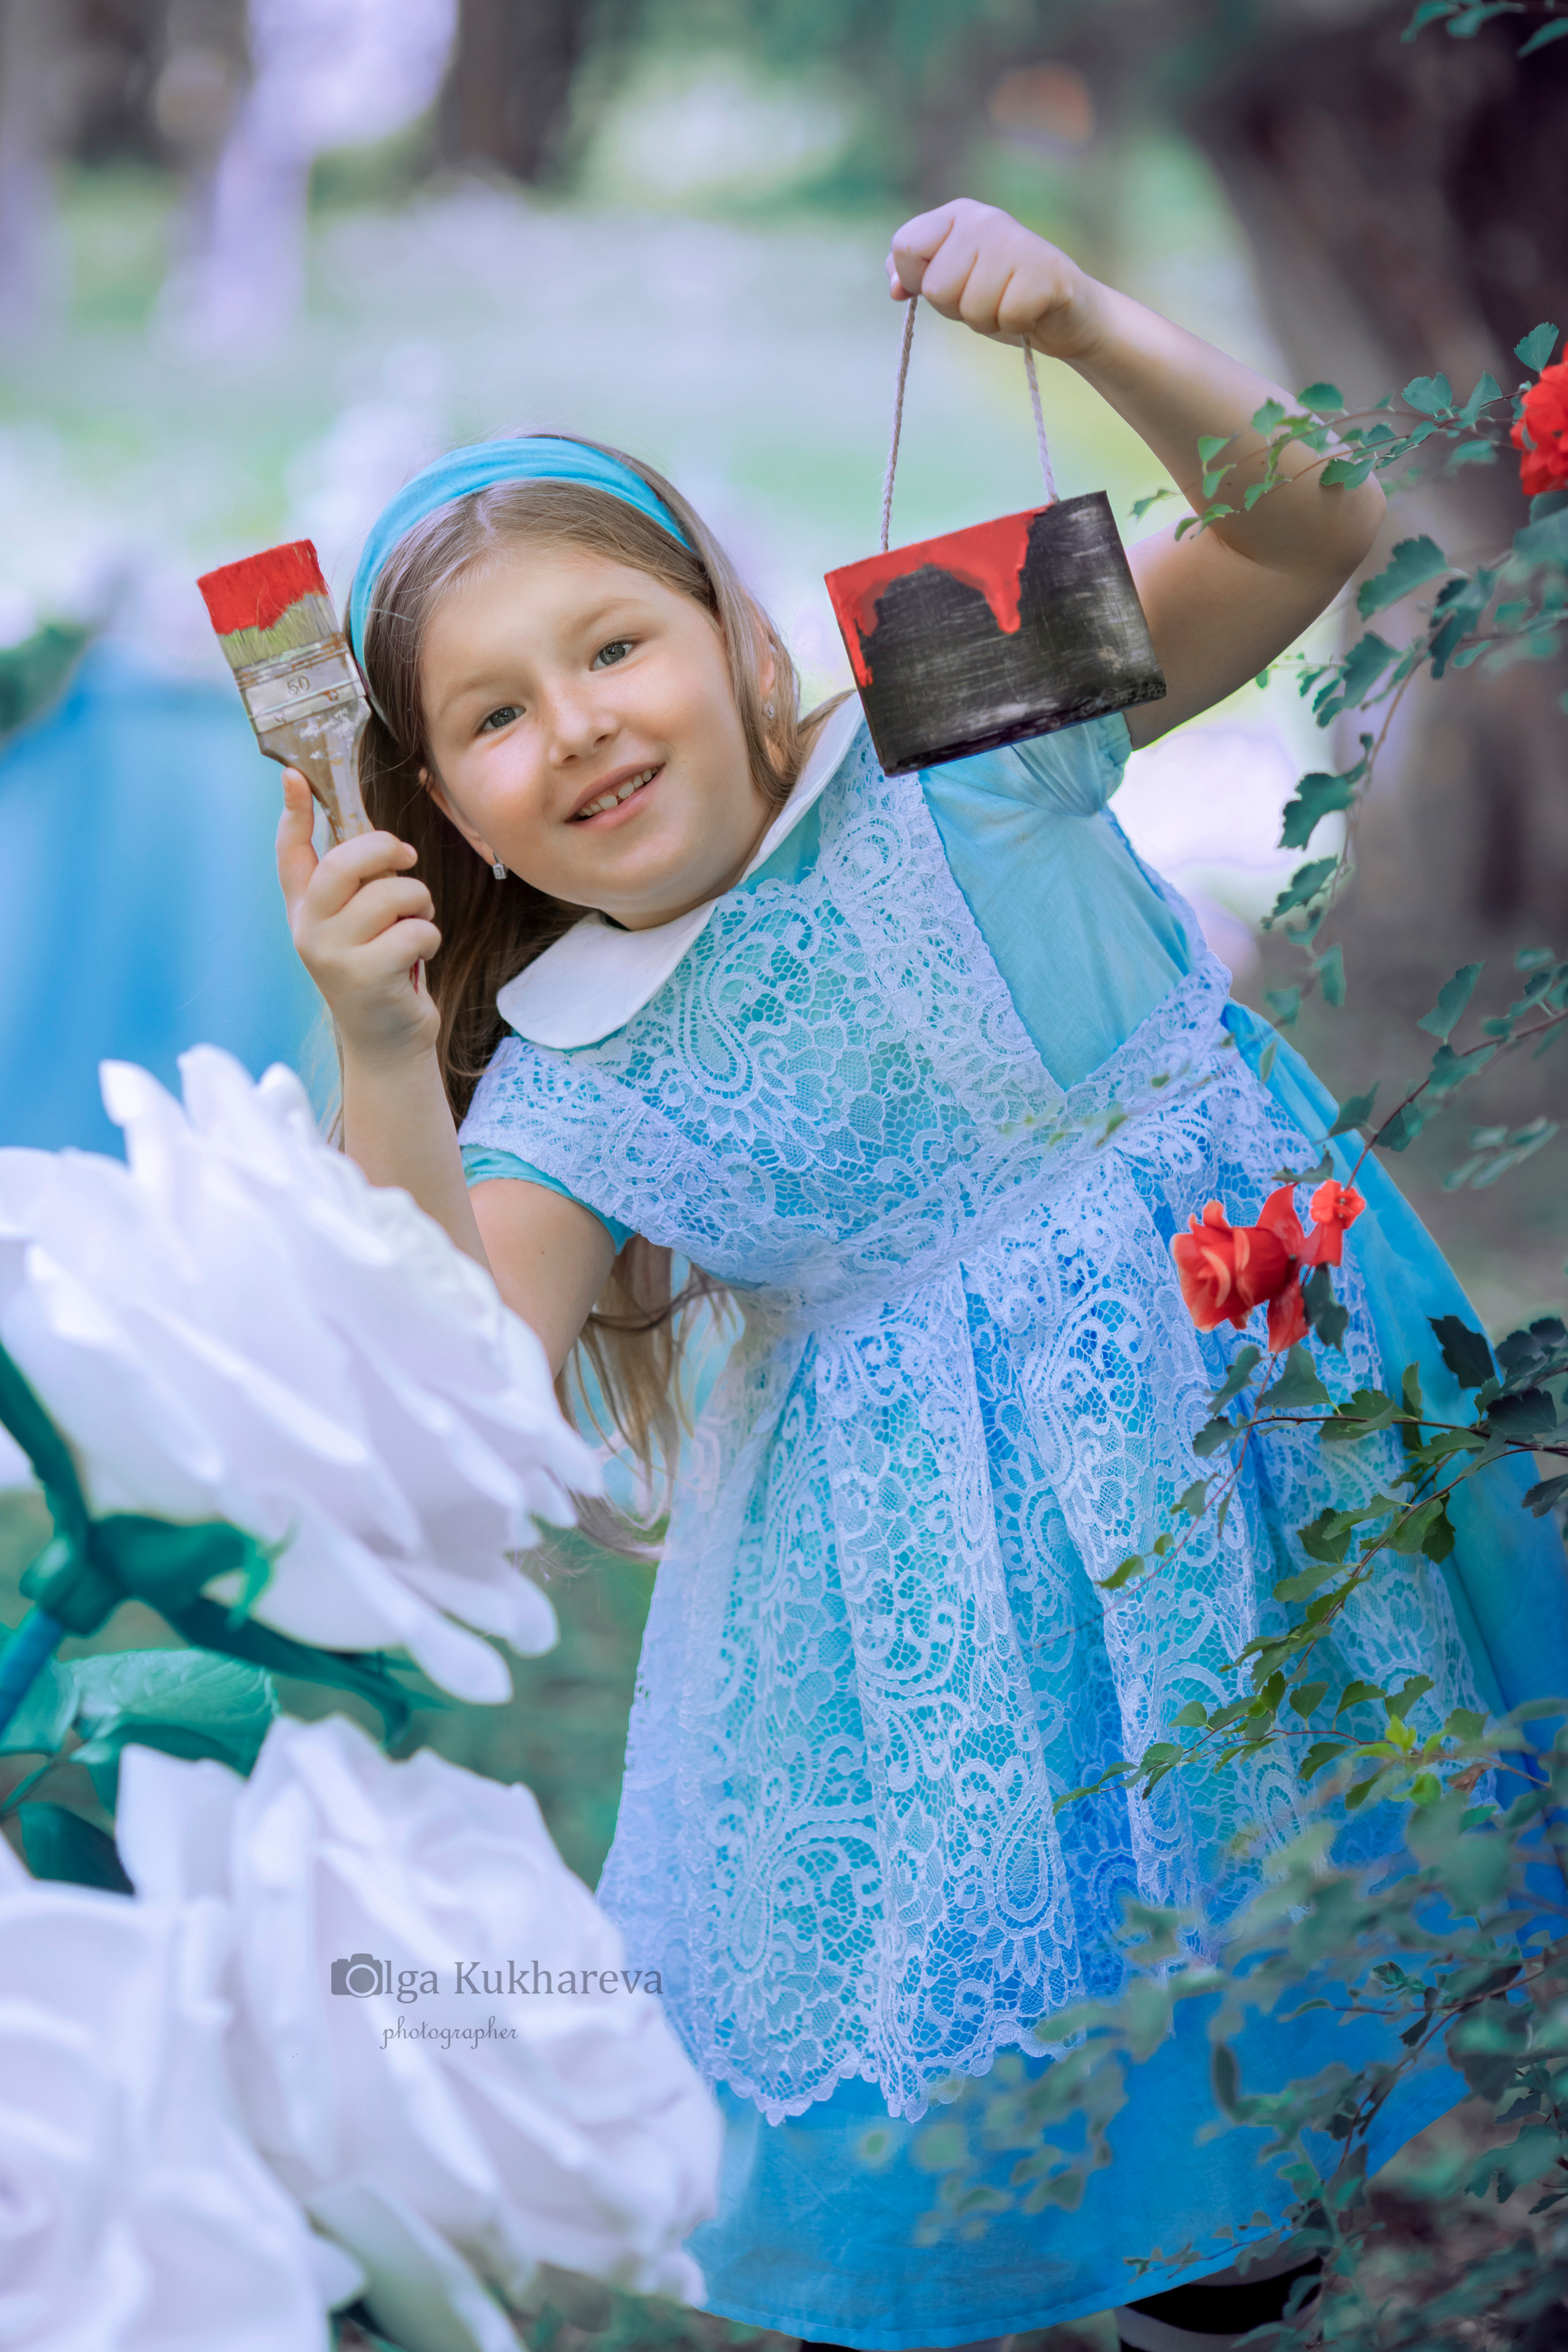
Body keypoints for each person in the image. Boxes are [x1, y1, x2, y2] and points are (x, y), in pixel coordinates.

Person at [276, 202, 1566, 2352]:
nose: (579, 729)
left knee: (1341, 1834)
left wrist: (1082, 319)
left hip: (1251, 1386)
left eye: (614, 647)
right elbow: (453, 1383)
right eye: (491, 719)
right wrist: (385, 1049)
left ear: (729, 630)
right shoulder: (573, 1073)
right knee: (1118, 1964)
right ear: (449, 817)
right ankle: (1204, 2282)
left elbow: (1307, 531)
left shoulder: (934, 700)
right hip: (960, 1572)